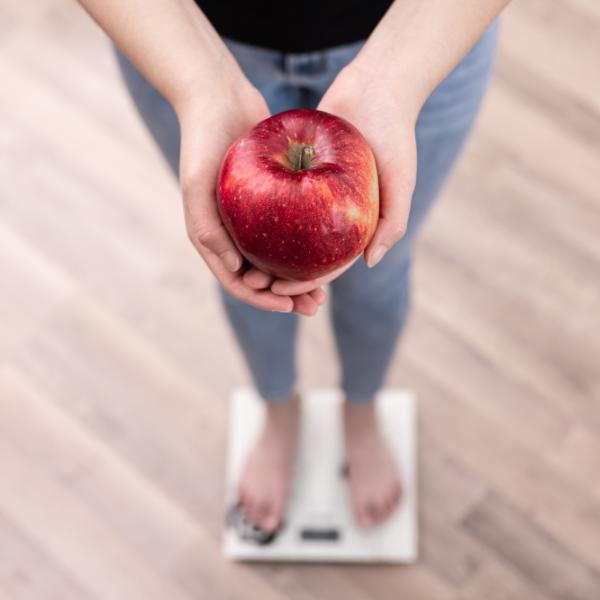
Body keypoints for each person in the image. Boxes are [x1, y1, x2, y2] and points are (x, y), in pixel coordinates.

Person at [77, 0, 510, 534]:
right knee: (247, 269)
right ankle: (278, 411)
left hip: (424, 30)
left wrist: (393, 78)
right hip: (179, 32)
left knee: (379, 274)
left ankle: (362, 409)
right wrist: (201, 82)